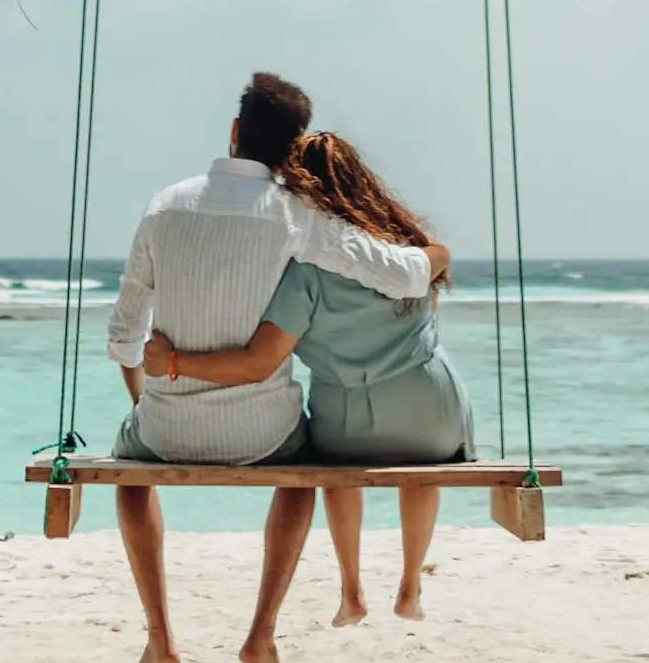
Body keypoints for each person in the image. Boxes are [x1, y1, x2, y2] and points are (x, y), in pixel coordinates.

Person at [103, 74, 448, 663]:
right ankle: (260, 636)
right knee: (301, 476)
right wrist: (433, 258)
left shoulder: (163, 205)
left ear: (233, 133)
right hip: (265, 434)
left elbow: (124, 336)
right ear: (294, 153)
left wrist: (152, 395)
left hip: (164, 427)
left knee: (130, 476)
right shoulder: (298, 214)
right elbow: (403, 277)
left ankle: (159, 640)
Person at [146, 131, 471, 631]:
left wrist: (174, 361)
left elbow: (260, 359)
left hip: (347, 422)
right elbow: (431, 292)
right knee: (422, 470)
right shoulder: (407, 255)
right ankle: (409, 586)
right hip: (434, 410)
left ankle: (352, 590)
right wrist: (436, 253)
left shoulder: (302, 271)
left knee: (334, 465)